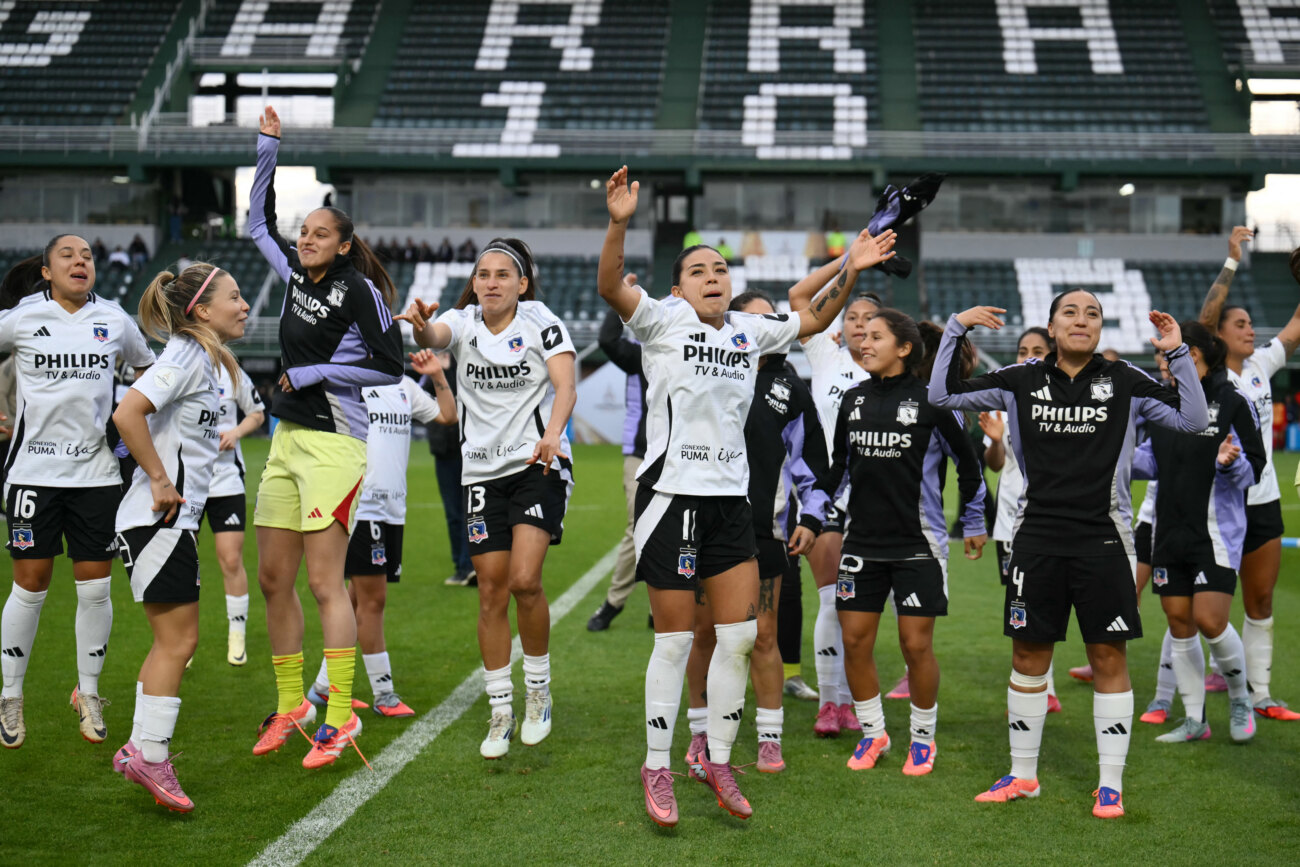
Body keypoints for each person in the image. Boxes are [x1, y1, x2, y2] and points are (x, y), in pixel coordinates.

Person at [598, 164, 897, 827]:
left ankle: (717, 757)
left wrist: (853, 264)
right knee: (676, 643)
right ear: (679, 285)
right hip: (671, 499)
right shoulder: (662, 319)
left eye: (721, 270)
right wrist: (619, 222)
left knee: (736, 636)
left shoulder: (747, 332)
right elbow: (610, 285)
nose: (713, 276)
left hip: (733, 505)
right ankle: (657, 763)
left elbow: (812, 317)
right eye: (699, 269)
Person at [929, 291, 1208, 819]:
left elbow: (1194, 422)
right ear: (1052, 327)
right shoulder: (1018, 378)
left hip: (1104, 540)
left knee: (1107, 656)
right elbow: (941, 397)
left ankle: (1110, 785)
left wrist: (1175, 353)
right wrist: (955, 329)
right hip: (1035, 539)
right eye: (1070, 313)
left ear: (1101, 328)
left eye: (1093, 314)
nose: (1082, 320)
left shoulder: (1125, 380)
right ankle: (1024, 775)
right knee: (1029, 657)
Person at [247, 105, 404, 769]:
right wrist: (267, 148)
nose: (305, 239)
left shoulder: (358, 289)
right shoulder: (290, 276)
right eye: (303, 231)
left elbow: (389, 364)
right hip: (286, 440)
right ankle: (291, 704)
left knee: (322, 583)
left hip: (339, 444)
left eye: (319, 234)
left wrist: (314, 369)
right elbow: (255, 221)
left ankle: (339, 716)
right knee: (271, 578)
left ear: (343, 245)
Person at [400, 237, 576, 760]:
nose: (492, 283)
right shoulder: (464, 321)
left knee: (525, 580)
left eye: (503, 275)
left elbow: (565, 387)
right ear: (474, 283)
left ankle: (538, 692)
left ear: (522, 284)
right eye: (483, 275)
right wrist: (420, 325)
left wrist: (554, 435)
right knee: (490, 592)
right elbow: (436, 332)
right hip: (480, 472)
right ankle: (501, 707)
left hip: (536, 464)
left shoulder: (542, 321)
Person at [0, 235, 156, 750]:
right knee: (31, 585)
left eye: (88, 255)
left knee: (94, 589)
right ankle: (11, 694)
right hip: (33, 475)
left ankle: (87, 694)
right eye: (67, 256)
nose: (80, 261)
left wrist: (133, 419)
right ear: (46, 271)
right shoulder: (21, 318)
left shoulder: (113, 320)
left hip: (97, 478)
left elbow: (147, 369)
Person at [111, 261, 249, 811]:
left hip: (167, 522)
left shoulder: (205, 358)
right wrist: (161, 479)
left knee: (168, 642)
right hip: (159, 518)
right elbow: (128, 414)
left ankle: (138, 748)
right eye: (234, 297)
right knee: (180, 642)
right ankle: (151, 758)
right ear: (202, 310)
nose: (244, 306)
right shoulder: (188, 355)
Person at [827, 309, 986, 776]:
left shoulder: (933, 402)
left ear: (904, 349)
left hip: (918, 545)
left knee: (915, 647)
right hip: (861, 543)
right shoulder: (852, 400)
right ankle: (874, 734)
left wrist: (972, 521)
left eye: (876, 337)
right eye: (862, 336)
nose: (864, 342)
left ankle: (922, 739)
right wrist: (817, 515)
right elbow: (838, 468)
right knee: (855, 642)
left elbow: (970, 465)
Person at [682, 290, 829, 776]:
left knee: (763, 636)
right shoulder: (705, 365)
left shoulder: (790, 389)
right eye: (758, 320)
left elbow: (813, 463)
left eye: (775, 320)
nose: (771, 328)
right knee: (704, 634)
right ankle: (700, 733)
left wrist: (810, 518)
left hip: (765, 533)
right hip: (704, 524)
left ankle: (769, 737)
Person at [1132, 321, 1265, 746]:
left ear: (1198, 356)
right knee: (1179, 623)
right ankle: (1194, 719)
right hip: (1168, 532)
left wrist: (1229, 463)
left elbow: (1254, 468)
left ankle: (1241, 698)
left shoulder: (1231, 400)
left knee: (1210, 620)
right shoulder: (1163, 402)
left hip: (1215, 535)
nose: (1171, 362)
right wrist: (1109, 460)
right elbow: (1149, 461)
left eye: (1179, 354)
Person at [309, 359, 458, 718]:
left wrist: (437, 374)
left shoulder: (403, 386)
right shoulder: (348, 384)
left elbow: (447, 416)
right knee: (373, 599)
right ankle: (384, 694)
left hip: (392, 508)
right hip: (362, 506)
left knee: (359, 596)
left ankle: (323, 687)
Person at [1196, 229, 1300, 721]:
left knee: (1260, 598)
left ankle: (1260, 694)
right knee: (1205, 609)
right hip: (1219, 506)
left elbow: (1298, 324)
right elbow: (1203, 320)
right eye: (1239, 323)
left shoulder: (1260, 364)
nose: (1250, 329)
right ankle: (1221, 675)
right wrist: (1232, 262)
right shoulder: (1209, 377)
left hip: (1262, 502)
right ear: (1220, 335)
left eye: (1252, 322)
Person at [788, 265, 881, 736]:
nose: (860, 324)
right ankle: (831, 704)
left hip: (879, 501)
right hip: (825, 496)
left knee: (858, 605)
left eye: (870, 318)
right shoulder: (825, 355)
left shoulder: (893, 369)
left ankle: (853, 699)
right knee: (830, 599)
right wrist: (853, 265)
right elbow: (799, 295)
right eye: (852, 316)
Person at [977, 327, 1062, 714]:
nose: (1029, 356)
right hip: (1011, 520)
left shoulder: (1063, 397)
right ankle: (1034, 683)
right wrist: (996, 439)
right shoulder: (1006, 398)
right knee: (1022, 602)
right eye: (1023, 349)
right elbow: (994, 465)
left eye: (1038, 350)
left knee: (1050, 598)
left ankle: (1047, 683)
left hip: (1052, 517)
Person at [201, 359, 266, 666]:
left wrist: (236, 432)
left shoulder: (233, 372)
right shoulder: (176, 364)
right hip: (185, 481)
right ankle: (181, 640)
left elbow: (257, 413)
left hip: (226, 479)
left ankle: (236, 635)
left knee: (230, 558)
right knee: (184, 561)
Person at [587, 304, 648, 631]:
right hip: (640, 455)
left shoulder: (690, 352)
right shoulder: (642, 353)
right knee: (637, 527)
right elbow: (608, 340)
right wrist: (615, 300)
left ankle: (660, 604)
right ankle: (613, 602)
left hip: (684, 457)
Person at [425, 353, 476, 587]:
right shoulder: (429, 370)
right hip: (443, 450)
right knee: (453, 513)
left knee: (471, 510)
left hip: (468, 450)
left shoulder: (465, 362)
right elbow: (425, 402)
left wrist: (446, 371)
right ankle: (461, 566)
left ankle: (472, 565)